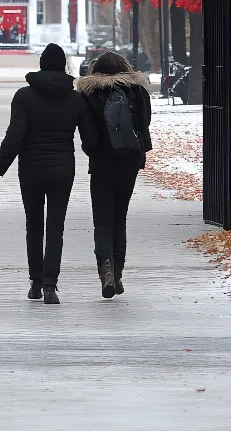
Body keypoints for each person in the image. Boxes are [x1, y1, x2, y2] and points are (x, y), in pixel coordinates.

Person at [0, 43, 96, 305]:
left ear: (41, 64)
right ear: (63, 65)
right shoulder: (76, 99)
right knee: (55, 227)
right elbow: (90, 139)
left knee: (34, 225)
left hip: (30, 168)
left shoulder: (24, 97)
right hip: (63, 168)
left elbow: (15, 135)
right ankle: (51, 285)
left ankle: (35, 282)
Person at [75, 51, 152, 299]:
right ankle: (117, 273)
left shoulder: (89, 93)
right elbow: (144, 123)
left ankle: (105, 268)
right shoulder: (137, 91)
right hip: (129, 160)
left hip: (101, 162)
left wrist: (93, 150)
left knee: (103, 220)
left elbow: (86, 132)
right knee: (120, 217)